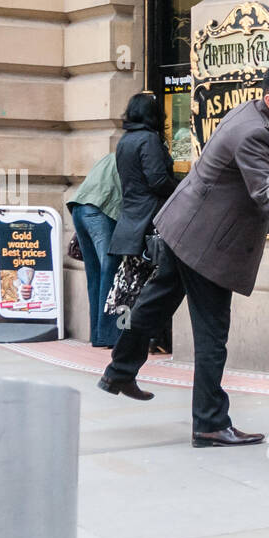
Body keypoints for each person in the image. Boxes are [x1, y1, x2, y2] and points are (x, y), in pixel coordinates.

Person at [98, 62, 269, 446]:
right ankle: (209, 423)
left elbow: (248, 172)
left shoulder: (252, 115)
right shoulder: (256, 131)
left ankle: (119, 371)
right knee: (212, 334)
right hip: (204, 241)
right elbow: (265, 196)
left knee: (154, 304)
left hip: (183, 226)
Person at [111, 93, 177, 354]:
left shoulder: (125, 140)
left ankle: (125, 339)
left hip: (130, 221)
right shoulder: (148, 139)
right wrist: (184, 189)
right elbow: (158, 181)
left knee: (129, 288)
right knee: (155, 286)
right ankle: (152, 339)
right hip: (150, 222)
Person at [69, 151, 123, 348]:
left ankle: (97, 335)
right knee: (111, 271)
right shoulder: (142, 152)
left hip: (79, 207)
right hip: (100, 210)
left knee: (95, 274)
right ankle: (109, 335)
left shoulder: (113, 154)